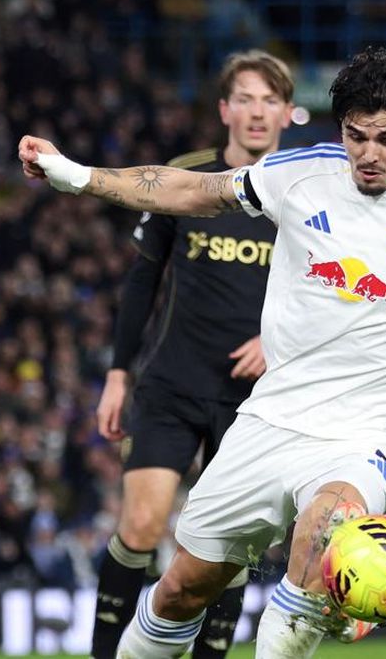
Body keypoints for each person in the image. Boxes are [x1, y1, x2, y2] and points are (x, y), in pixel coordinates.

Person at [18, 47, 386, 658]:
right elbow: (194, 188)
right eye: (356, 136)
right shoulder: (299, 175)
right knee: (181, 590)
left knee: (321, 538)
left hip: (362, 437)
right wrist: (78, 176)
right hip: (268, 420)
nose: (369, 153)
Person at [89, 49, 295, 659]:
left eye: (270, 100)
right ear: (225, 110)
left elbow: (332, 290)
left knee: (225, 551)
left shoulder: (301, 193)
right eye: (246, 99)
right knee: (141, 526)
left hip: (254, 402)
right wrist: (118, 374)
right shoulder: (188, 176)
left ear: (287, 112)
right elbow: (142, 280)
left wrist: (279, 341)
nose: (257, 112)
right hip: (172, 384)